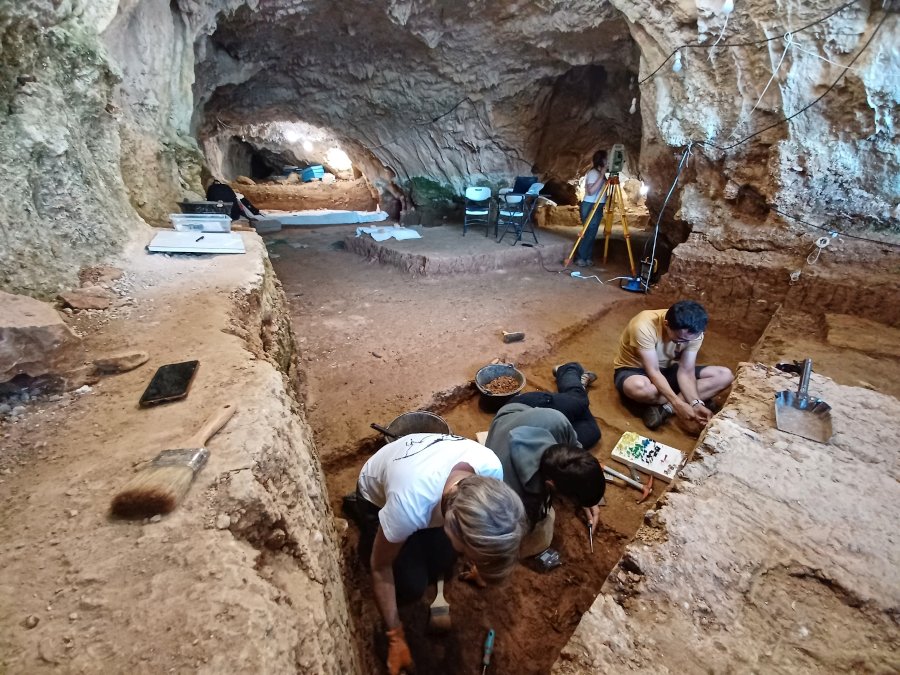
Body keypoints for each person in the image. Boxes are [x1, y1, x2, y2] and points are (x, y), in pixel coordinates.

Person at [354, 433, 526, 675]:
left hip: (424, 481)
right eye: (468, 551)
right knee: (413, 586)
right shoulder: (409, 506)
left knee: (443, 561)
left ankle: (432, 546)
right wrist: (395, 635)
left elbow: (495, 526)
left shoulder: (490, 469)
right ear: (450, 528)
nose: (468, 559)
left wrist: (482, 562)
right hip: (376, 496)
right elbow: (379, 568)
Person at [484, 381, 606, 557]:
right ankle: (570, 371)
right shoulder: (515, 497)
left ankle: (577, 395)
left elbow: (577, 451)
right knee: (581, 403)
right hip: (519, 407)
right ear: (551, 484)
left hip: (535, 417)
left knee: (590, 427)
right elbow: (502, 543)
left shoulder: (557, 423)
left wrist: (588, 497)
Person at [613, 300, 734, 431]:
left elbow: (686, 371)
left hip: (668, 369)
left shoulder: (694, 333)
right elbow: (653, 371)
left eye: (689, 340)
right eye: (681, 339)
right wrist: (678, 403)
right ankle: (680, 400)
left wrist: (696, 403)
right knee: (639, 387)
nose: (684, 343)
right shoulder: (643, 326)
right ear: (667, 324)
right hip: (636, 369)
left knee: (725, 375)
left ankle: (666, 409)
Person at [507, 361, 601, 449]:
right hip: (532, 432)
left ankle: (569, 369)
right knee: (592, 431)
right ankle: (579, 389)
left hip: (519, 410)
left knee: (579, 401)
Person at [574, 149, 609, 267]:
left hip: (597, 205)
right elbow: (591, 191)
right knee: (589, 232)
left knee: (592, 232)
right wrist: (602, 175)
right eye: (606, 159)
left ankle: (587, 257)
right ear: (601, 160)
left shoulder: (599, 174)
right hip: (591, 204)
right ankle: (580, 257)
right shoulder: (594, 173)